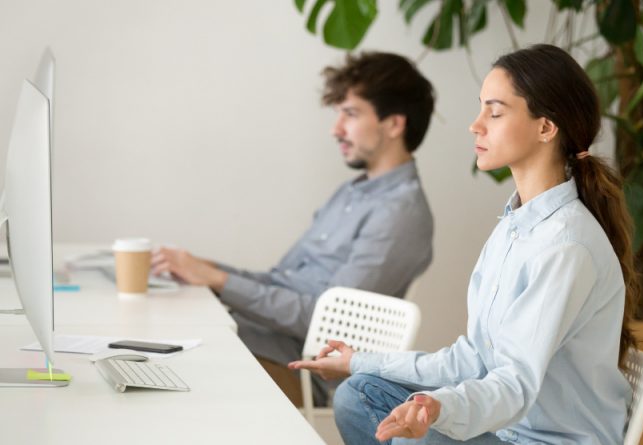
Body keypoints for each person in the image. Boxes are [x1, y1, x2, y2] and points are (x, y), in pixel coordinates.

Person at [288, 44, 641, 444]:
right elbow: (473, 358)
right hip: (505, 429)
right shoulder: (513, 227)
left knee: (380, 413)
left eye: (494, 112)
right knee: (360, 390)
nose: (476, 125)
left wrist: (440, 408)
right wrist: (359, 360)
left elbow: (515, 384)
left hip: (539, 440)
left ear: (545, 127)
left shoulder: (566, 246)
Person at [151, 51, 436, 406]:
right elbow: (281, 280)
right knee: (153, 336)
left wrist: (218, 281)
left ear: (394, 124)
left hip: (300, 372)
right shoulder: (352, 192)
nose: (336, 130)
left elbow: (330, 325)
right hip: (261, 341)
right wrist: (204, 269)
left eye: (350, 114)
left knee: (170, 366)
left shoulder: (400, 214)